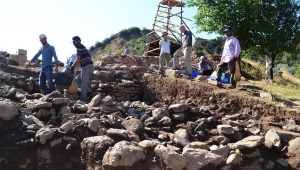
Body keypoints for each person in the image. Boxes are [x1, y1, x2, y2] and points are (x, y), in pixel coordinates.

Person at [71, 36, 95, 103]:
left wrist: (72, 67)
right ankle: (90, 92)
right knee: (77, 80)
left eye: (74, 41)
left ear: (78, 41)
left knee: (83, 84)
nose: (73, 43)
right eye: (73, 42)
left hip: (87, 67)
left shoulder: (79, 47)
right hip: (87, 67)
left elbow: (78, 59)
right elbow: (82, 59)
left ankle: (83, 100)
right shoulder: (82, 47)